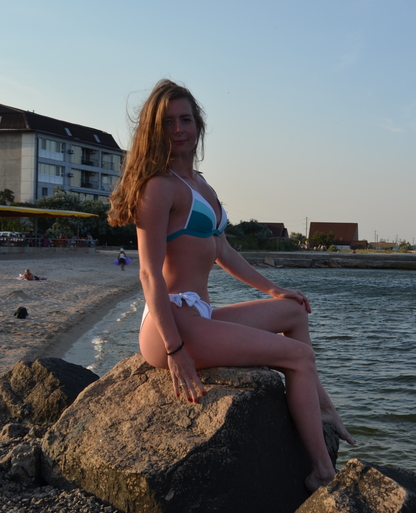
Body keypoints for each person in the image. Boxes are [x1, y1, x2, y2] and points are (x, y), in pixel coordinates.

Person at [107, 79, 353, 491]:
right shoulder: (159, 186)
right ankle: (322, 471)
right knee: (297, 356)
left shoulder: (201, 184)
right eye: (167, 122)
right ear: (154, 130)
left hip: (197, 315)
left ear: (199, 124)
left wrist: (274, 290)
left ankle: (322, 408)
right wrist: (176, 351)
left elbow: (223, 249)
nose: (178, 129)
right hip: (169, 325)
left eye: (186, 119)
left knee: (294, 311)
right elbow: (148, 273)